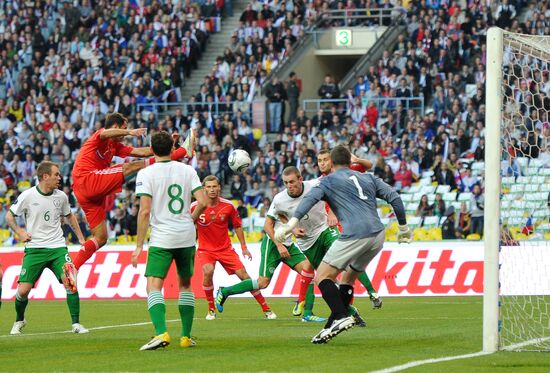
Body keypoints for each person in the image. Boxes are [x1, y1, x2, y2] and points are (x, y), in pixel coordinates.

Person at [275, 146, 411, 344]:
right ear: (351, 161)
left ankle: (340, 316)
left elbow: (308, 200)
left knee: (322, 276)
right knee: (347, 279)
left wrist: (291, 224)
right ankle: (332, 324)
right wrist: (404, 227)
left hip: (355, 234)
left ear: (332, 162)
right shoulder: (368, 178)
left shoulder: (328, 181)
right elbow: (395, 198)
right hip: (377, 235)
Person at [72, 113, 194, 272]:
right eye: (123, 127)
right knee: (131, 167)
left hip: (87, 194)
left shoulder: (115, 146)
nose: (125, 132)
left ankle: (72, 267)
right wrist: (130, 132)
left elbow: (142, 152)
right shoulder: (99, 137)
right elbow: (105, 132)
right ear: (116, 127)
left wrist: (166, 146)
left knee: (101, 238)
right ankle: (183, 153)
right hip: (86, 179)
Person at [131, 131, 207, 351]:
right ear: (173, 149)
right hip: (185, 235)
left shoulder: (146, 174)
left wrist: (138, 247)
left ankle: (161, 333)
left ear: (152, 150)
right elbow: (202, 200)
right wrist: (190, 219)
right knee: (185, 285)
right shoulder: (188, 170)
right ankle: (185, 336)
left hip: (162, 237)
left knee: (154, 284)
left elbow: (145, 212)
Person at [215, 173, 318, 317]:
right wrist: (279, 245)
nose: (289, 185)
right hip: (273, 243)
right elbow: (267, 225)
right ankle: (224, 291)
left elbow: (285, 217)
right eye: (286, 182)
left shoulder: (308, 191)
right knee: (263, 283)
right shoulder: (280, 199)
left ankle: (308, 314)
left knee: (308, 273)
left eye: (292, 182)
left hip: (288, 244)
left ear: (300, 180)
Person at [6, 161, 88, 335]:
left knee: (70, 281)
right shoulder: (27, 196)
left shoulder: (61, 197)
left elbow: (69, 216)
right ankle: (19, 319)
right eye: (56, 174)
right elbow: (9, 216)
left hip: (58, 248)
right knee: (23, 291)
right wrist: (20, 232)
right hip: (35, 249)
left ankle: (76, 324)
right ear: (45, 177)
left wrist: (81, 237)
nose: (59, 177)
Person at [190, 175, 275, 320]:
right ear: (203, 189)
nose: (212, 189)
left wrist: (243, 246)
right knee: (208, 271)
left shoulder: (228, 205)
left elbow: (237, 225)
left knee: (245, 276)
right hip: (205, 250)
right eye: (208, 187)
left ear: (219, 188)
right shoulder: (194, 207)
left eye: (214, 186)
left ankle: (266, 308)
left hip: (225, 249)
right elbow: (187, 225)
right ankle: (211, 309)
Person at [316, 149, 382, 310]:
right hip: (329, 226)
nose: (322, 163)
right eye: (319, 160)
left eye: (325, 159)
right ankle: (361, 298)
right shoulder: (319, 181)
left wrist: (355, 159)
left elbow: (368, 165)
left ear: (332, 161)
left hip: (347, 226)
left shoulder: (346, 172)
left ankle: (352, 304)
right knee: (342, 268)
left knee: (345, 266)